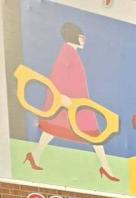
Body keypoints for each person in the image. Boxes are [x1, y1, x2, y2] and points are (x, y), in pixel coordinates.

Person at [23, 22, 119, 182]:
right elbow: (57, 74)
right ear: (73, 36)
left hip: (78, 102)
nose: (84, 40)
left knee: (55, 129)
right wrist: (62, 96)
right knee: (93, 135)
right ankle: (106, 168)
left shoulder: (71, 52)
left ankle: (34, 155)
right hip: (71, 102)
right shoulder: (67, 51)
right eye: (81, 37)